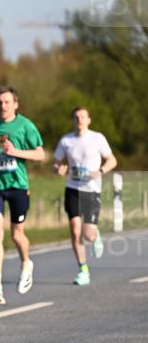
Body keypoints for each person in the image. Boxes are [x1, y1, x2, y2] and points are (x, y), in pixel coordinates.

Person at [0, 86, 45, 305]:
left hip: (18, 185)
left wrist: (16, 152)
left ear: (15, 104)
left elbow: (40, 154)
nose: (3, 106)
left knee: (17, 235)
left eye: (7, 102)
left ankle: (26, 263)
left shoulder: (25, 125)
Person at [52, 106, 117, 285]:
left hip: (92, 189)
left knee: (87, 235)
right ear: (73, 121)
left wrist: (101, 171)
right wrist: (59, 169)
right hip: (73, 188)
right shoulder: (66, 140)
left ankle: (95, 235)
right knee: (74, 230)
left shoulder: (97, 138)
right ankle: (83, 270)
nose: (79, 120)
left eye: (82, 117)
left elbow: (112, 160)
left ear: (89, 120)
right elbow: (55, 164)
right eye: (76, 117)